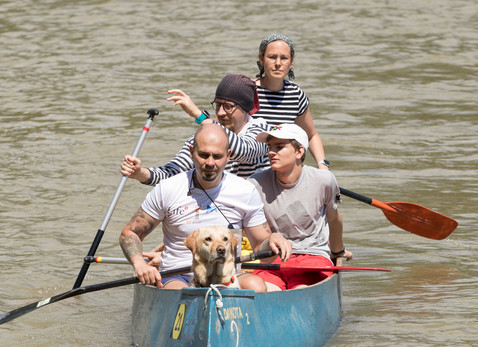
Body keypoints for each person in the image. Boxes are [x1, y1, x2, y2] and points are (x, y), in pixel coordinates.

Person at [119, 123, 292, 290]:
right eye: (203, 155)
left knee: (256, 285)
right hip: (179, 275)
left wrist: (273, 242)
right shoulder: (168, 188)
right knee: (181, 294)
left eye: (217, 156)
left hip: (226, 276)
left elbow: (261, 245)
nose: (210, 163)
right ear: (191, 152)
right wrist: (140, 263)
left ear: (228, 155)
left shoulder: (245, 191)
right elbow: (130, 233)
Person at [247, 124, 353, 291]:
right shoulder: (255, 184)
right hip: (275, 259)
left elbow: (334, 219)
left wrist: (337, 251)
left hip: (313, 258)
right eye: (269, 147)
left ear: (299, 152)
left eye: (280, 147)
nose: (271, 152)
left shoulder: (324, 180)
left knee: (301, 289)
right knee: (263, 291)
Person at [121, 74, 270, 185]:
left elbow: (246, 151)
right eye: (218, 105)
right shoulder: (205, 136)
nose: (220, 112)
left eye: (228, 106)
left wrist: (199, 116)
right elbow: (172, 173)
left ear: (245, 109)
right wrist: (140, 173)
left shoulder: (262, 129)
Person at [253, 33, 331, 171]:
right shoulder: (246, 91)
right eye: (272, 57)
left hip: (281, 173)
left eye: (284, 58)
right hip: (247, 173)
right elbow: (222, 128)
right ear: (261, 59)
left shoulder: (295, 94)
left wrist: (322, 164)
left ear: (291, 62)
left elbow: (311, 135)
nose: (278, 63)